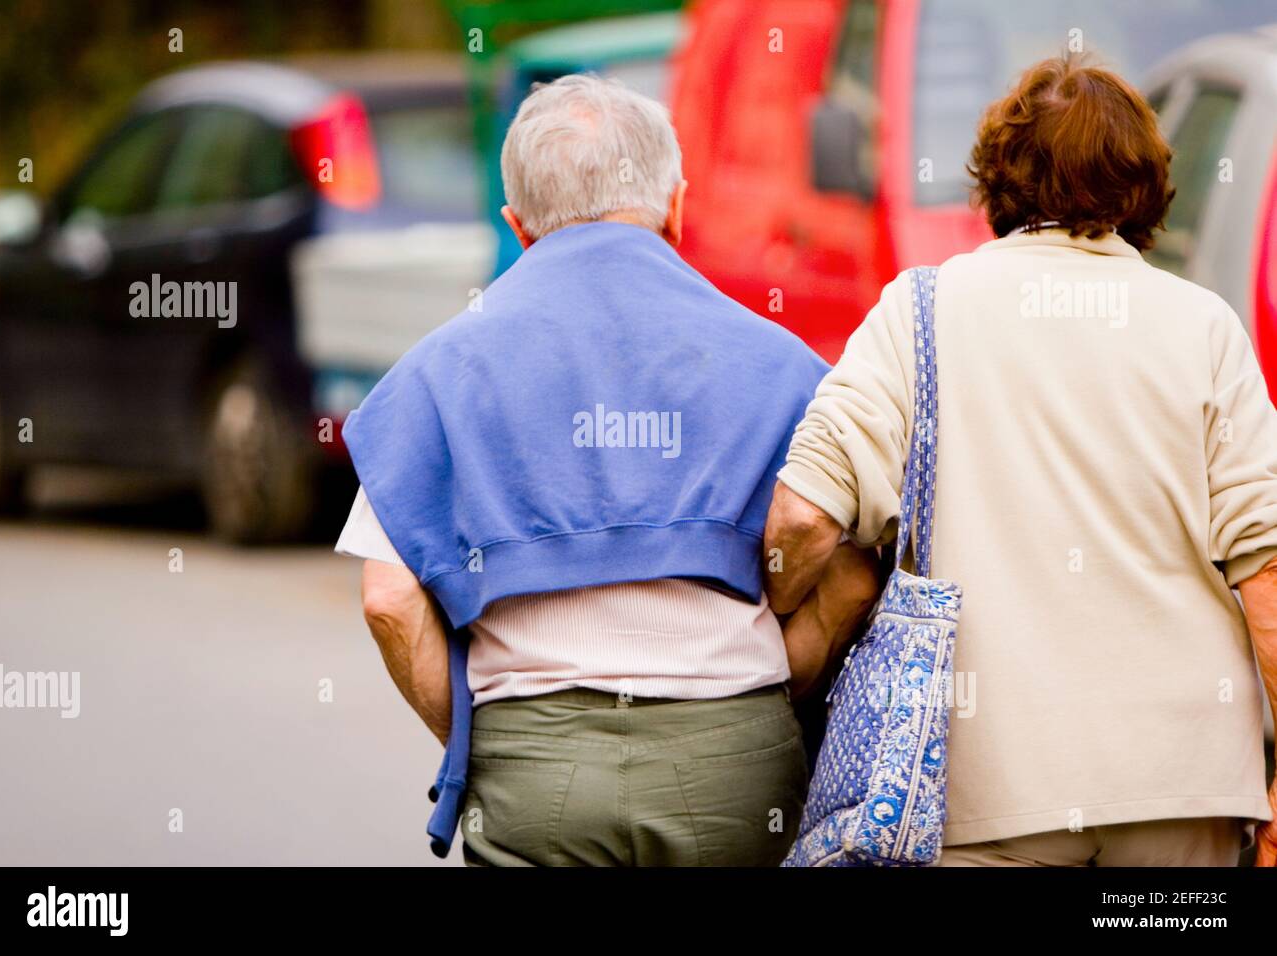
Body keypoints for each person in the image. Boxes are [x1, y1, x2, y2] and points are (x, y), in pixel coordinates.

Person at [335, 74, 880, 866]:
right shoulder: (789, 370)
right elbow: (855, 573)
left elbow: (387, 601)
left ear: (517, 228)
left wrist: (485, 737)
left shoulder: (432, 376)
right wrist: (774, 683)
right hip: (735, 763)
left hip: (533, 770)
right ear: (678, 208)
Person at [764, 55, 1277, 867]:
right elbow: (1268, 572)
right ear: (1144, 183)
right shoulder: (1207, 328)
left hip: (986, 794)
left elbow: (802, 517)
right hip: (1186, 790)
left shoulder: (920, 312)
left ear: (999, 178)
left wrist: (789, 620)